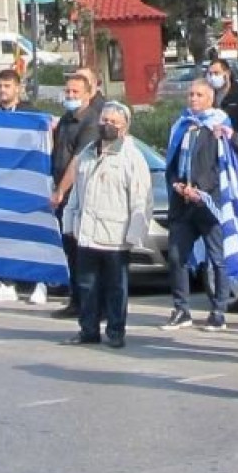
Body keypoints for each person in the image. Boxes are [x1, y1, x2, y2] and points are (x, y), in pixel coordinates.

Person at [60, 102, 152, 349]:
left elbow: (141, 199)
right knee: (86, 285)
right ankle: (88, 330)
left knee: (115, 288)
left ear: (124, 127)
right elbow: (76, 193)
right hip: (87, 233)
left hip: (116, 235)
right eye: (104, 120)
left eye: (113, 122)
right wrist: (69, 224)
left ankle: (115, 331)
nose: (107, 125)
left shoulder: (132, 158)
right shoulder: (88, 153)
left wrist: (135, 235)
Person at [162, 79, 234, 332]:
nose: (193, 99)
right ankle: (181, 309)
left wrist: (200, 188)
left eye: (199, 95)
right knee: (176, 256)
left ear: (210, 98)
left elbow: (221, 166)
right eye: (190, 94)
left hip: (209, 202)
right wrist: (176, 185)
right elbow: (170, 163)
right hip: (183, 202)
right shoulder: (181, 126)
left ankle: (218, 311)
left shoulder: (219, 125)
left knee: (217, 259)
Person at [0, 69, 49, 306]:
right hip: (0, 186)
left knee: (31, 235)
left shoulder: (32, 115)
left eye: (7, 86)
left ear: (18, 88)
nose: (3, 90)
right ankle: (6, 283)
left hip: (28, 186)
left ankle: (39, 283)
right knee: (2, 236)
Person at [48, 72, 105, 317]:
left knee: (86, 254)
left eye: (75, 92)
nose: (70, 96)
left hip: (79, 195)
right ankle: (77, 300)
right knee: (71, 252)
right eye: (68, 92)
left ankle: (94, 305)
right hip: (64, 196)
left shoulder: (91, 121)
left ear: (89, 94)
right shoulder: (65, 120)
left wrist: (61, 190)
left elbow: (78, 160)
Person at [205, 58, 238, 132]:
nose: (213, 77)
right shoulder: (207, 96)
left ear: (227, 73)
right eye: (210, 74)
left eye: (216, 73)